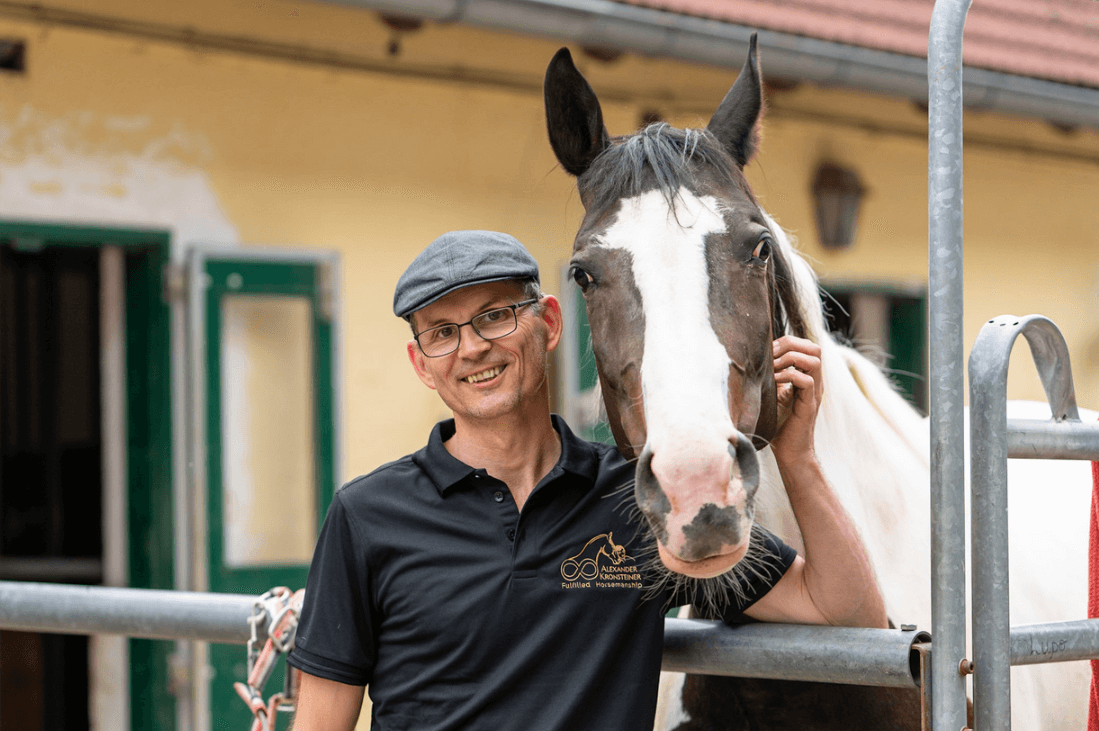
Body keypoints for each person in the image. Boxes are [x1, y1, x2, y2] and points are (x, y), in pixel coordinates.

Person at [287, 230, 886, 731]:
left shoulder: (640, 497)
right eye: (441, 333)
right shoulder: (367, 516)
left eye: (494, 317)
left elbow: (845, 613)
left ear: (548, 322)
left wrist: (797, 456)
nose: (470, 348)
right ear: (421, 363)